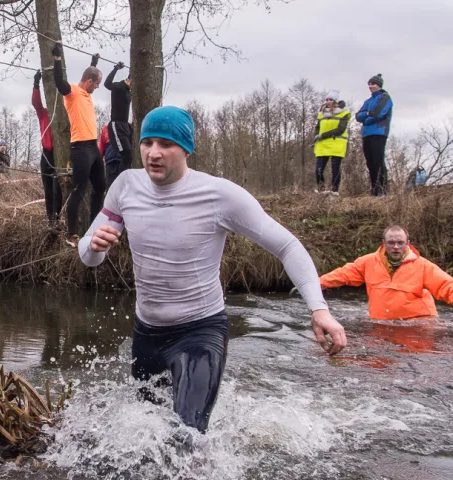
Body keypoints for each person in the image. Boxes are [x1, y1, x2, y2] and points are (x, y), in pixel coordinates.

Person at [78, 105, 347, 433]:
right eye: (148, 143)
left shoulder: (219, 195)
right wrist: (95, 247)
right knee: (144, 437)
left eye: (166, 144)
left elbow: (287, 245)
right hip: (147, 334)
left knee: (187, 435)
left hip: (199, 332)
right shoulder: (125, 185)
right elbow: (88, 256)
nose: (154, 153)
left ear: (186, 149)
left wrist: (319, 310)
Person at [318, 225, 453, 319]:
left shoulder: (422, 265)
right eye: (391, 243)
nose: (396, 247)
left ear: (407, 243)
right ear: (384, 243)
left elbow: (446, 284)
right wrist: (314, 284)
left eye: (400, 243)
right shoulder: (367, 262)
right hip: (382, 325)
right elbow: (341, 274)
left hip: (418, 325)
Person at [52, 43, 106, 248]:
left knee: (100, 186)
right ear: (90, 82)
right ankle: (72, 233)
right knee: (80, 188)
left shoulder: (87, 94)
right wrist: (57, 61)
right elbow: (59, 82)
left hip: (93, 148)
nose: (97, 88)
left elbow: (89, 74)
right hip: (80, 148)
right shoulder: (72, 92)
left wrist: (94, 62)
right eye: (97, 84)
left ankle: (94, 226)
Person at [32, 70, 63, 227]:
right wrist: (36, 84)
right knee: (48, 190)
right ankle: (50, 219)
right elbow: (36, 103)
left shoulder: (62, 116)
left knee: (58, 189)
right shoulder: (43, 114)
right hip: (46, 155)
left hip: (59, 156)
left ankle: (58, 217)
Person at [355, 74, 393, 197]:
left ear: (379, 85)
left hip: (379, 132)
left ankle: (383, 190)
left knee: (378, 161)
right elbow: (358, 116)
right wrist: (367, 114)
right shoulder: (368, 101)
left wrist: (367, 118)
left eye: (373, 84)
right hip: (366, 134)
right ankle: (374, 190)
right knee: (370, 162)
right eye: (369, 84)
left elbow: (378, 114)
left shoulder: (385, 97)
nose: (371, 86)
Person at [312, 90, 350, 195]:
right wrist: (316, 136)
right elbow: (318, 127)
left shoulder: (344, 112)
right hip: (322, 144)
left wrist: (323, 135)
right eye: (327, 99)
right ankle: (321, 189)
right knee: (318, 170)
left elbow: (341, 129)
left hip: (336, 143)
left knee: (335, 169)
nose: (328, 101)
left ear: (336, 101)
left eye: (330, 100)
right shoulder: (322, 113)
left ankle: (335, 190)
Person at [104, 61, 133, 186]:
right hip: (116, 125)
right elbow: (107, 84)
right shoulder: (119, 86)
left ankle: (124, 179)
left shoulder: (129, 91)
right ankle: (119, 183)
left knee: (129, 155)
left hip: (125, 125)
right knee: (125, 154)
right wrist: (116, 68)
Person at [99, 123, 123, 188]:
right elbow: (101, 147)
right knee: (111, 185)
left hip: (124, 160)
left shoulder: (127, 126)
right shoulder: (106, 129)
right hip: (111, 161)